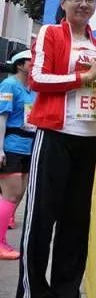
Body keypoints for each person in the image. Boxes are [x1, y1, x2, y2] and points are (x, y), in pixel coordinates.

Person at [17, 0, 96, 298]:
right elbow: (37, 78)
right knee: (40, 220)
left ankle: (66, 291)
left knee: (76, 222)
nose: (83, 5)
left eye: (90, 0)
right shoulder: (51, 33)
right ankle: (32, 291)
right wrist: (84, 76)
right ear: (63, 2)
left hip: (90, 140)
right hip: (56, 135)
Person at [0, 50, 36, 260]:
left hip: (29, 147)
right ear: (20, 64)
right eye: (30, 60)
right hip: (11, 146)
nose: (34, 62)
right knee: (11, 194)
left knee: (18, 195)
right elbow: (2, 118)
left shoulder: (33, 89)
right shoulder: (9, 85)